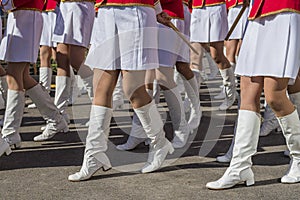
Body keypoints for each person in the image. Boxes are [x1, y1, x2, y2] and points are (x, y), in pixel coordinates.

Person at [68, 0, 174, 181]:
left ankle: (159, 143)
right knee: (101, 86)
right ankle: (94, 155)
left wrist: (156, 9)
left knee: (132, 89)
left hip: (136, 9)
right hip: (106, 11)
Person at [206, 0, 300, 190]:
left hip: (284, 11)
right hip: (255, 15)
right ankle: (239, 167)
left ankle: (298, 157)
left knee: (275, 96)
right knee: (248, 93)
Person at [0, 0, 68, 153]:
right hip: (21, 15)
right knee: (22, 76)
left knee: (15, 76)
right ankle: (55, 118)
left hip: (26, 14)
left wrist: (6, 3)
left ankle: (10, 133)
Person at [190, 0, 237, 110]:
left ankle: (230, 93)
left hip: (215, 6)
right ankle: (192, 100)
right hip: (197, 8)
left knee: (217, 56)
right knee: (193, 54)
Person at [28, 0, 59, 109]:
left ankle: (71, 91)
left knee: (58, 55)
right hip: (42, 9)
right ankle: (43, 94)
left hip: (56, 9)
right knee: (43, 53)